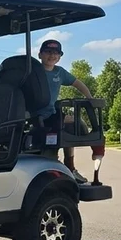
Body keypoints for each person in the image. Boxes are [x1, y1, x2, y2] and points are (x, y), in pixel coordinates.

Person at [37, 38, 93, 183]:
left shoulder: (60, 73)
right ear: (40, 54)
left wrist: (89, 97)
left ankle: (70, 166)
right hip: (37, 114)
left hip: (52, 112)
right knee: (57, 130)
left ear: (60, 57)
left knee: (74, 125)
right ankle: (53, 166)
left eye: (56, 53)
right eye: (48, 52)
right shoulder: (34, 71)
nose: (52, 55)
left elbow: (77, 83)